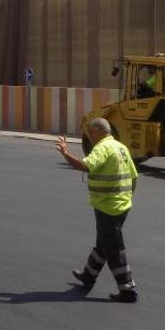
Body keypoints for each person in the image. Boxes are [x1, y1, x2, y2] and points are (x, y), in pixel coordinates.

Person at [55, 117, 139, 303]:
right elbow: (134, 177)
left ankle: (127, 289)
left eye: (90, 133)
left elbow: (85, 166)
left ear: (98, 131)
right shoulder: (120, 147)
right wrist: (128, 197)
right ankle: (88, 275)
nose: (90, 137)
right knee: (104, 242)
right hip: (122, 205)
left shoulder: (102, 148)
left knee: (114, 248)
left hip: (107, 205)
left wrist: (65, 153)